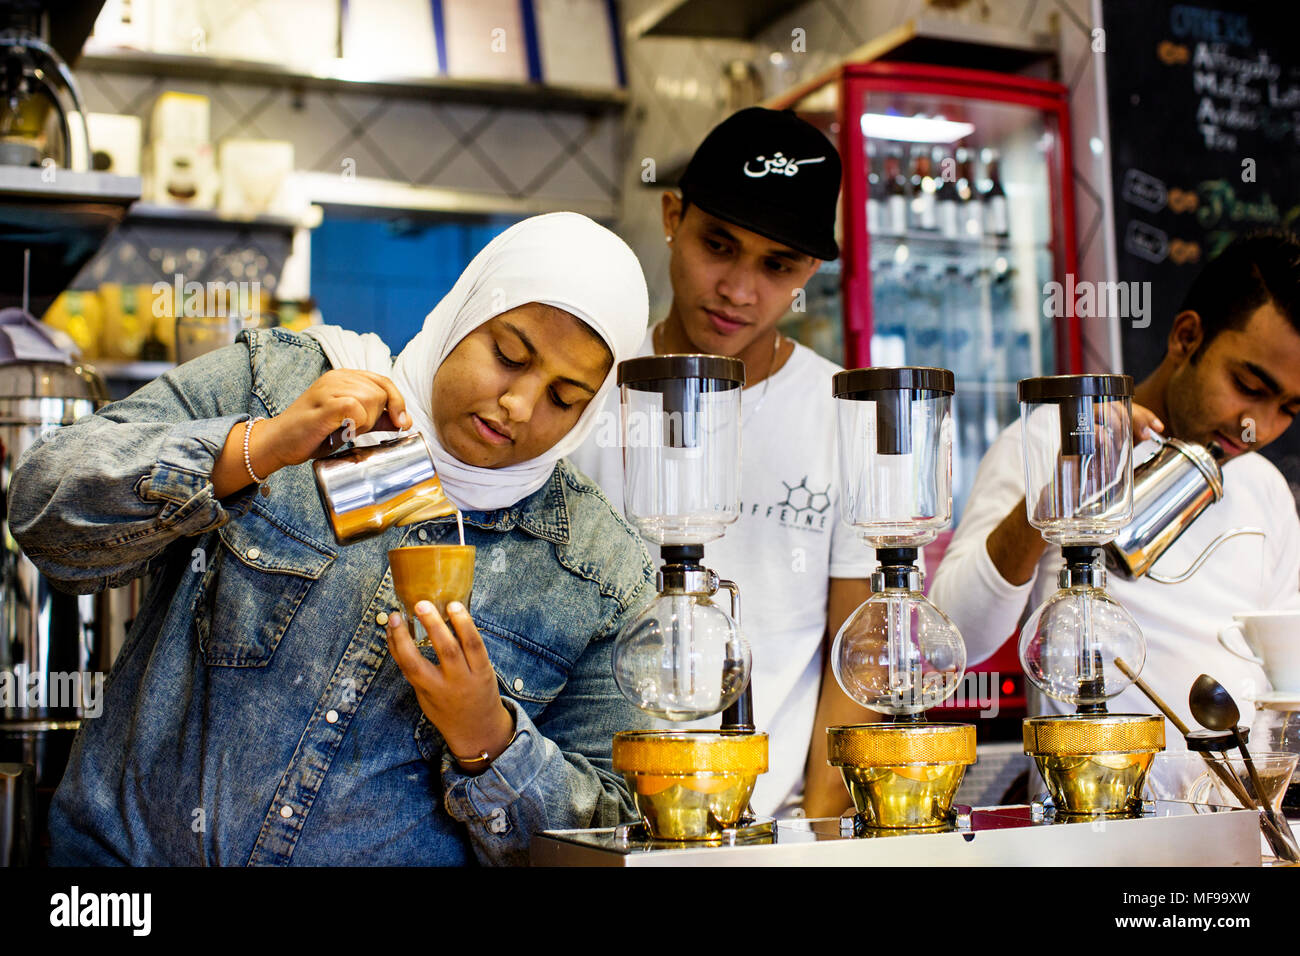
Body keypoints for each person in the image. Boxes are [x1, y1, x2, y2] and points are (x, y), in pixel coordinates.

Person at [9, 212, 656, 866]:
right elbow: (43, 511)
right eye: (508, 356)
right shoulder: (280, 384)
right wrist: (260, 446)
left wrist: (488, 739)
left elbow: (612, 840)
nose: (520, 404)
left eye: (565, 397)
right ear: (463, 312)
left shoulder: (598, 575)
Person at [569, 108, 876, 818]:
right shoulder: (583, 391)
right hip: (590, 815)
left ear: (811, 272)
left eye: (778, 266)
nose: (740, 289)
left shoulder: (840, 415)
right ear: (672, 216)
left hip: (767, 827)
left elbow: (851, 656)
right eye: (719, 245)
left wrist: (824, 836)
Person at [931, 232, 1300, 734]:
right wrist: (1051, 501)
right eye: (1248, 387)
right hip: (1093, 801)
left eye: (1289, 410)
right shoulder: (1047, 440)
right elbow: (952, 642)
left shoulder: (1266, 488)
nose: (1258, 425)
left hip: (1237, 803)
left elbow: (1284, 677)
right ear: (1186, 337)